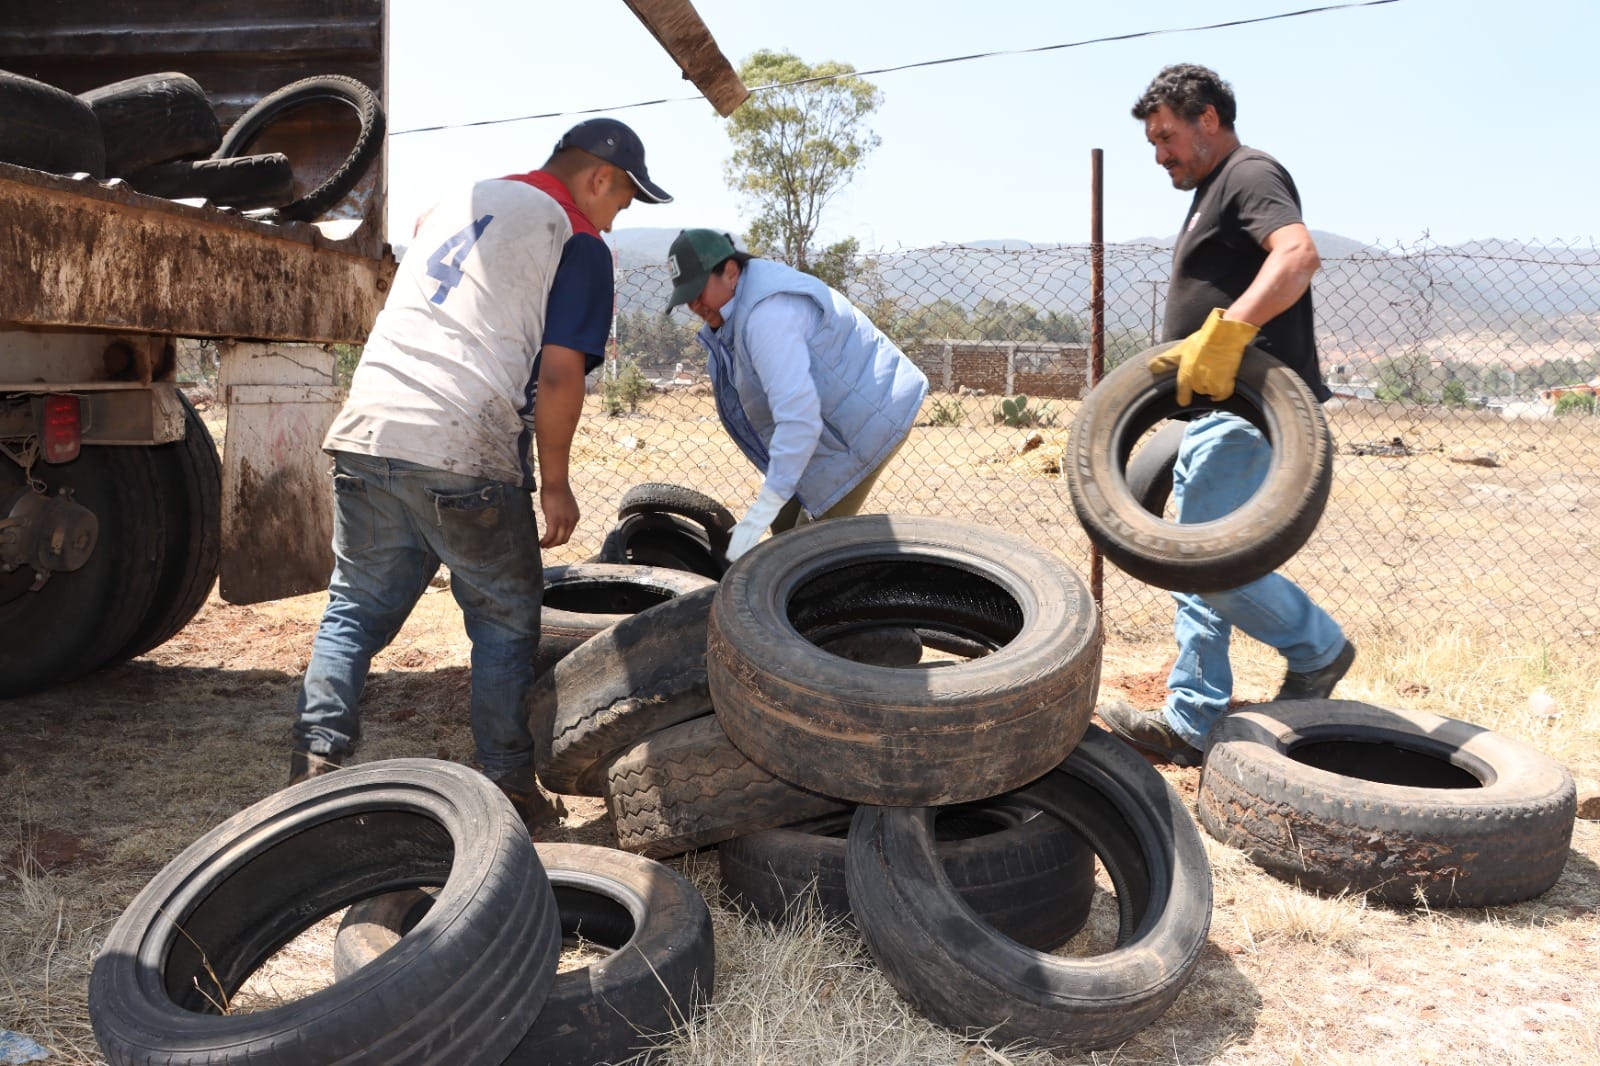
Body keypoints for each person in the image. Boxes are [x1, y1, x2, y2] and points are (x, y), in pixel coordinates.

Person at [287, 117, 672, 832]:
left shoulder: (457, 203)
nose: (617, 220)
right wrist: (554, 483)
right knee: (503, 618)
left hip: (368, 430)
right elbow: (559, 375)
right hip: (463, 446)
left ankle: (314, 759)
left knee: (355, 606)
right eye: (622, 201)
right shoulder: (576, 238)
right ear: (597, 179)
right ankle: (508, 786)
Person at [1097, 64, 1354, 767]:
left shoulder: (1249, 173)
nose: (1160, 154)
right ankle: (1191, 717)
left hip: (1251, 410)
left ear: (1207, 118)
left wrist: (1230, 330)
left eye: (1167, 136)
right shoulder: (1215, 188)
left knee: (1208, 565)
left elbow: (1298, 256)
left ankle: (1318, 649)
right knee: (1196, 559)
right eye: (1152, 142)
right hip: (1215, 410)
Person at [664, 228, 928, 561]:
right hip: (829, 423)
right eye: (687, 297)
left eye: (698, 291)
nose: (694, 305)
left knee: (804, 555)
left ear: (730, 272)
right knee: (783, 526)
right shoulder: (735, 309)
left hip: (866, 422)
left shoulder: (766, 316)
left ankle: (832, 603)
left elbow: (797, 418)